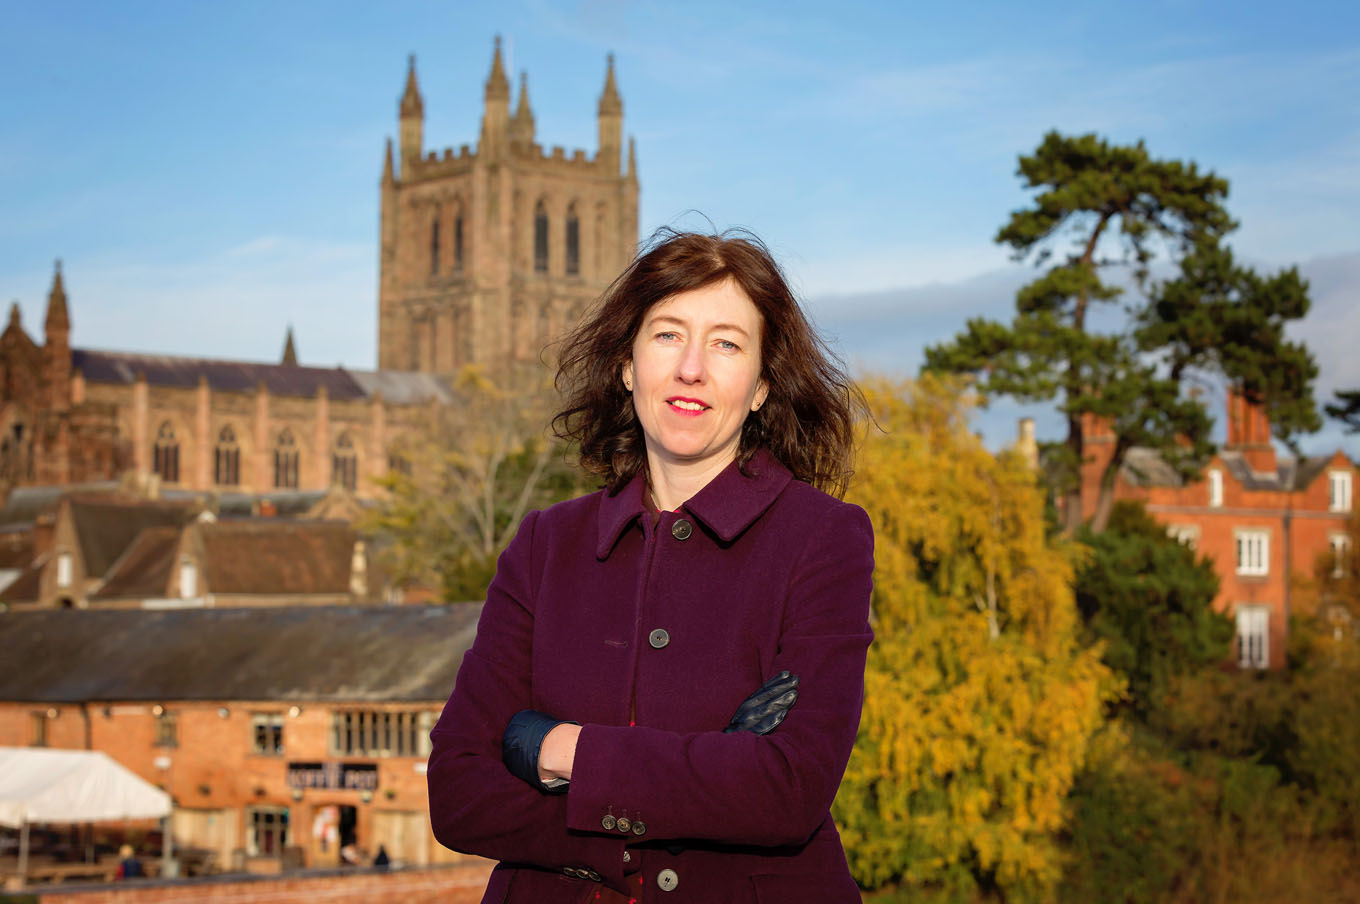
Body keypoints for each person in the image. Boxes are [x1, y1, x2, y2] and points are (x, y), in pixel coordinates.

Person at [428, 229, 874, 903]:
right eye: (668, 335)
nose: (691, 367)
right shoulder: (546, 544)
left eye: (726, 343)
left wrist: (562, 750)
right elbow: (457, 791)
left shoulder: (823, 538)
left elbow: (788, 789)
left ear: (760, 386)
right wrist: (700, 783)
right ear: (628, 365)